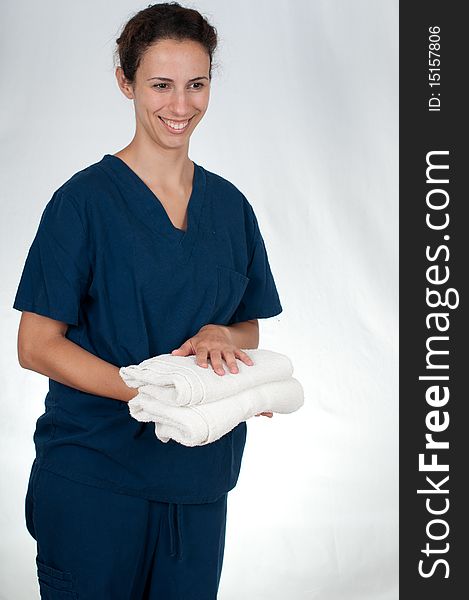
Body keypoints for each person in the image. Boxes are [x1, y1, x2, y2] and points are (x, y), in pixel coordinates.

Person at [13, 3, 283, 598]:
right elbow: (36, 346)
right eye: (161, 85)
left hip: (200, 480)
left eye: (196, 85)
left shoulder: (231, 208)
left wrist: (223, 337)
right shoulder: (82, 204)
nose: (180, 106)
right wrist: (154, 394)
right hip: (94, 482)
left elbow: (248, 329)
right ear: (126, 82)